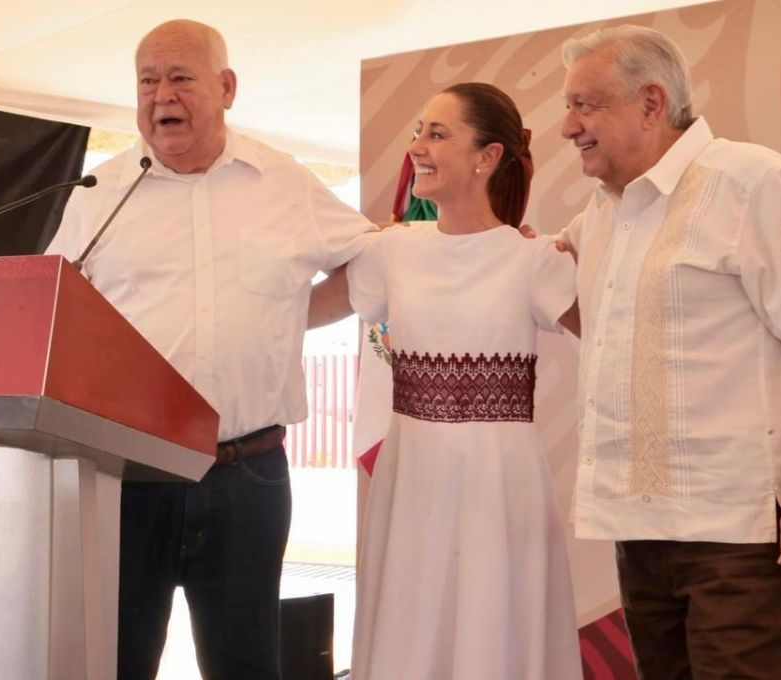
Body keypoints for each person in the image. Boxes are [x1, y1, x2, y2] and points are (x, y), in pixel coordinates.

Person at [44, 20, 374, 680]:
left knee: (246, 662)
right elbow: (51, 311)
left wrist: (288, 319)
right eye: (147, 80)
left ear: (226, 87)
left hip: (247, 473)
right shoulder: (100, 195)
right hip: (128, 474)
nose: (161, 94)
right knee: (116, 659)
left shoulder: (282, 182)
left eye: (180, 77)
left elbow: (371, 262)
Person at [555, 25, 781, 679]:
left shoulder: (749, 181)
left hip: (740, 536)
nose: (568, 126)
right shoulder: (602, 216)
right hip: (639, 532)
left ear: (650, 102)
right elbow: (582, 307)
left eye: (584, 104)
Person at [312, 82, 584, 679]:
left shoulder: (532, 258)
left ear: (486, 157)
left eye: (437, 133)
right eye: (418, 131)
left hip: (497, 487)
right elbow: (301, 310)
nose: (416, 147)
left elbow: (618, 337)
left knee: (494, 632)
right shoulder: (392, 251)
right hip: (412, 480)